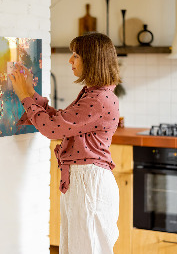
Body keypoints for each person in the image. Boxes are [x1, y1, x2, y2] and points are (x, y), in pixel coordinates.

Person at [9, 32, 121, 254]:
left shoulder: (98, 99)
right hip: (84, 181)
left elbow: (52, 129)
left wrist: (24, 96)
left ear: (92, 60)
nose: (70, 60)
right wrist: (31, 93)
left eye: (76, 55)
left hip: (89, 183)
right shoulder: (94, 94)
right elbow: (60, 121)